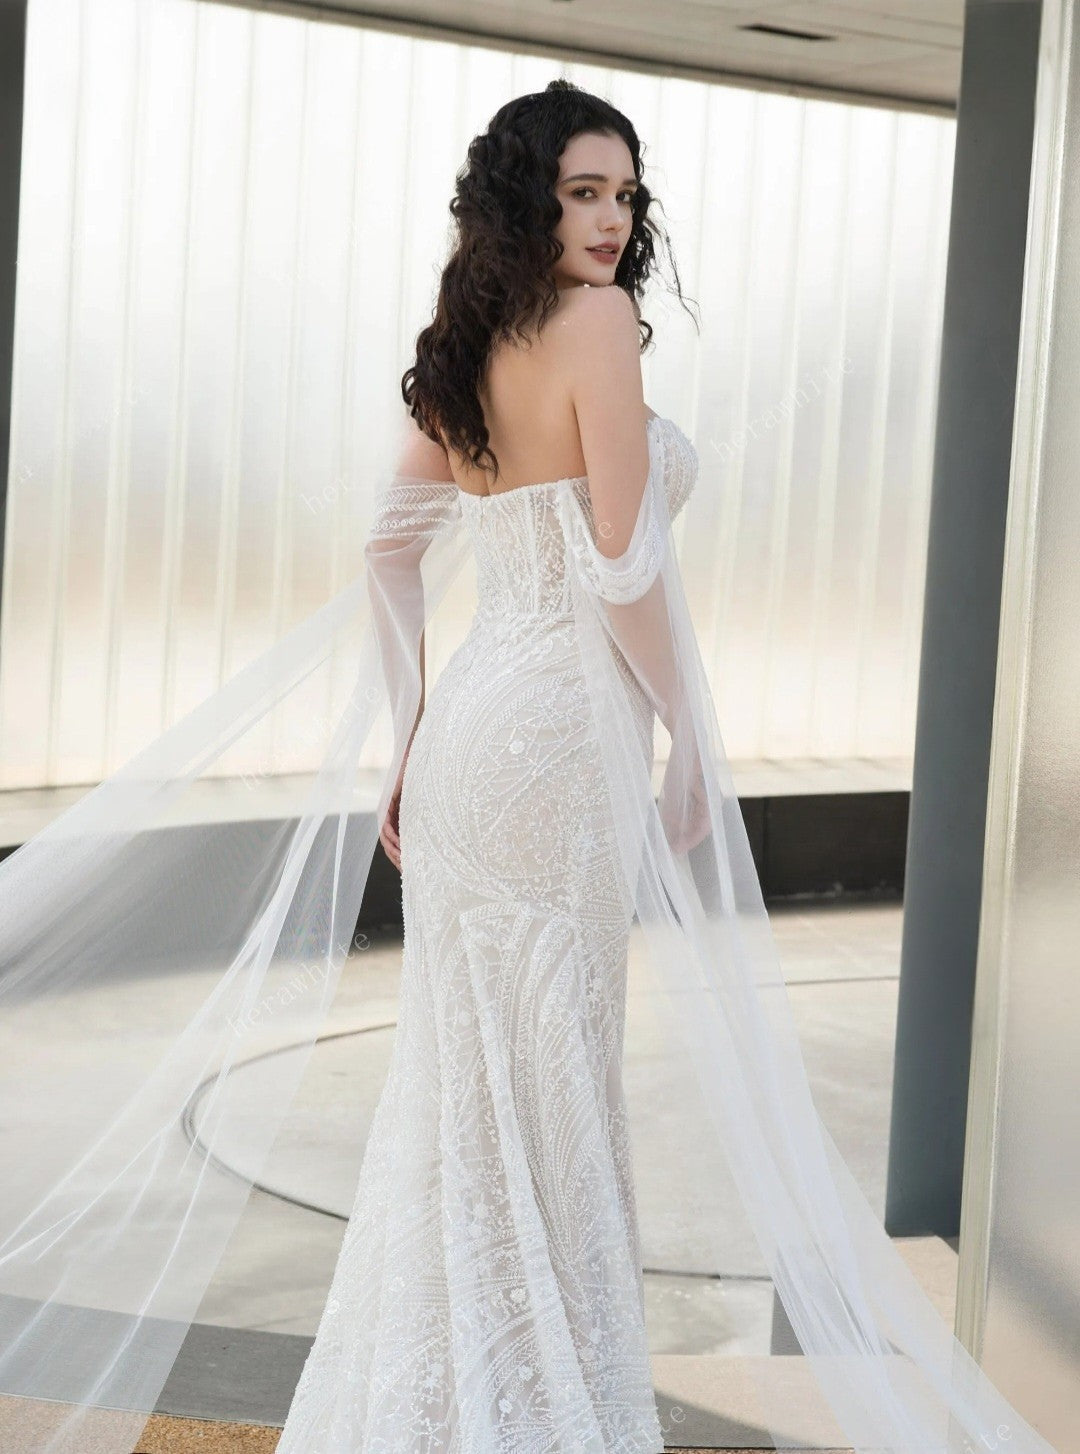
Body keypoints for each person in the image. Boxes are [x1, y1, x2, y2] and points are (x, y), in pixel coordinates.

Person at [0, 80, 1061, 1454]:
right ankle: (540, 1411)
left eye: (625, 194)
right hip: (563, 742)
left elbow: (389, 550)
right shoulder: (601, 326)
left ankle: (440, 1404)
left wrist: (412, 729)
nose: (613, 220)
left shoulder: (471, 336)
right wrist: (687, 728)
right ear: (529, 197)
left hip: (471, 748)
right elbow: (623, 563)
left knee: (465, 1087)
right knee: (553, 1081)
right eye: (583, 192)